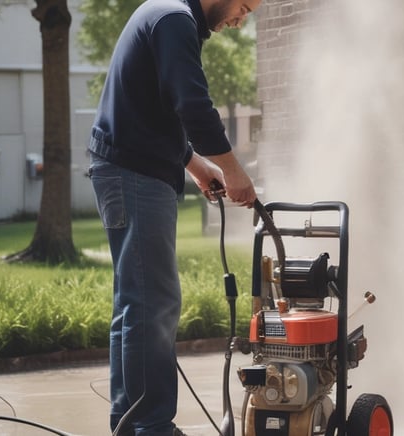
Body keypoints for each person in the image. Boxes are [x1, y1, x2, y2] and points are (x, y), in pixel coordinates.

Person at [87, 0, 262, 433]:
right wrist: (236, 172)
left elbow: (154, 106)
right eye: (243, 6)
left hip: (127, 168)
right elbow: (192, 104)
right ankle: (152, 426)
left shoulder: (167, 16)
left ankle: (131, 424)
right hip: (133, 173)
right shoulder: (175, 20)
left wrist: (196, 165)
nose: (242, 20)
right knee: (153, 303)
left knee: (136, 304)